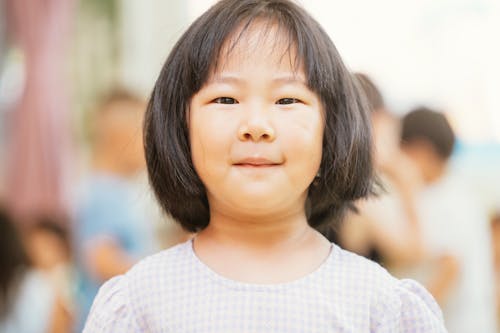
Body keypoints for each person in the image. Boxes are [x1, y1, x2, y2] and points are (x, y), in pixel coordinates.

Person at [84, 1, 446, 331]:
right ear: (181, 127)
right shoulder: (138, 304)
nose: (256, 124)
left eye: (287, 99)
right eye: (225, 98)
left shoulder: (378, 306)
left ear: (330, 129)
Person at [400, 107, 497, 333]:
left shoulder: (445, 200)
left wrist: (406, 319)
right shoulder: (456, 191)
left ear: (420, 152)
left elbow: (449, 268)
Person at [74, 89, 160, 330]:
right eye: (146, 134)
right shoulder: (103, 194)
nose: (151, 145)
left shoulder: (116, 192)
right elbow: (101, 259)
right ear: (122, 136)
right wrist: (162, 271)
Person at [334, 73, 425, 267]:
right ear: (377, 121)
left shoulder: (328, 182)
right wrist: (408, 183)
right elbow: (414, 253)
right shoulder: (364, 197)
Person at [0, 208, 66, 333]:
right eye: (35, 246)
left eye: (49, 248)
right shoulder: (38, 286)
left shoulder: (45, 287)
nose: (39, 253)